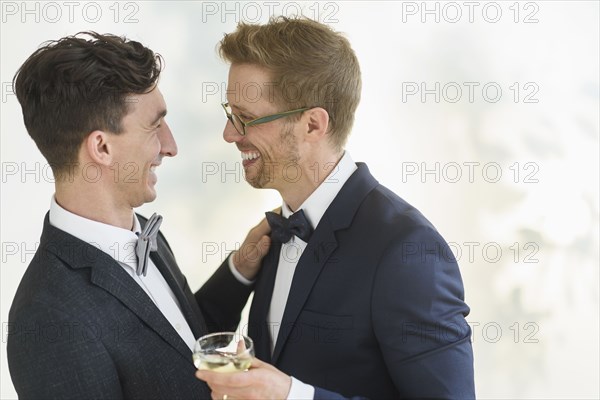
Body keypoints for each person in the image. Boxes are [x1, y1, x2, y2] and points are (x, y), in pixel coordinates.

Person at [196, 17, 475, 399]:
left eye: (246, 118)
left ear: (312, 124)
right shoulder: (275, 230)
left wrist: (293, 396)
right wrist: (238, 272)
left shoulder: (408, 248)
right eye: (231, 113)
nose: (229, 133)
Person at [7, 32, 271, 398]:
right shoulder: (47, 320)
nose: (170, 146)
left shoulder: (145, 232)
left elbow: (175, 346)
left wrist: (240, 269)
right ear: (101, 147)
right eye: (154, 126)